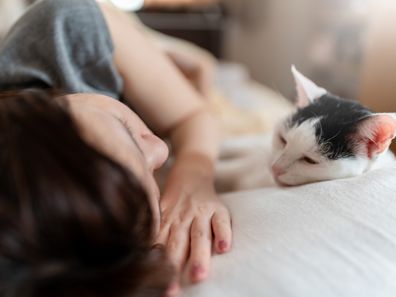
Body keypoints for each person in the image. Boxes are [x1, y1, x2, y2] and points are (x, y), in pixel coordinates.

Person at [0, 0, 232, 296]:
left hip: (130, 38)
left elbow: (193, 115)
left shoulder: (68, 26)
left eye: (126, 133)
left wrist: (194, 175)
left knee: (200, 67)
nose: (161, 150)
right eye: (151, 176)